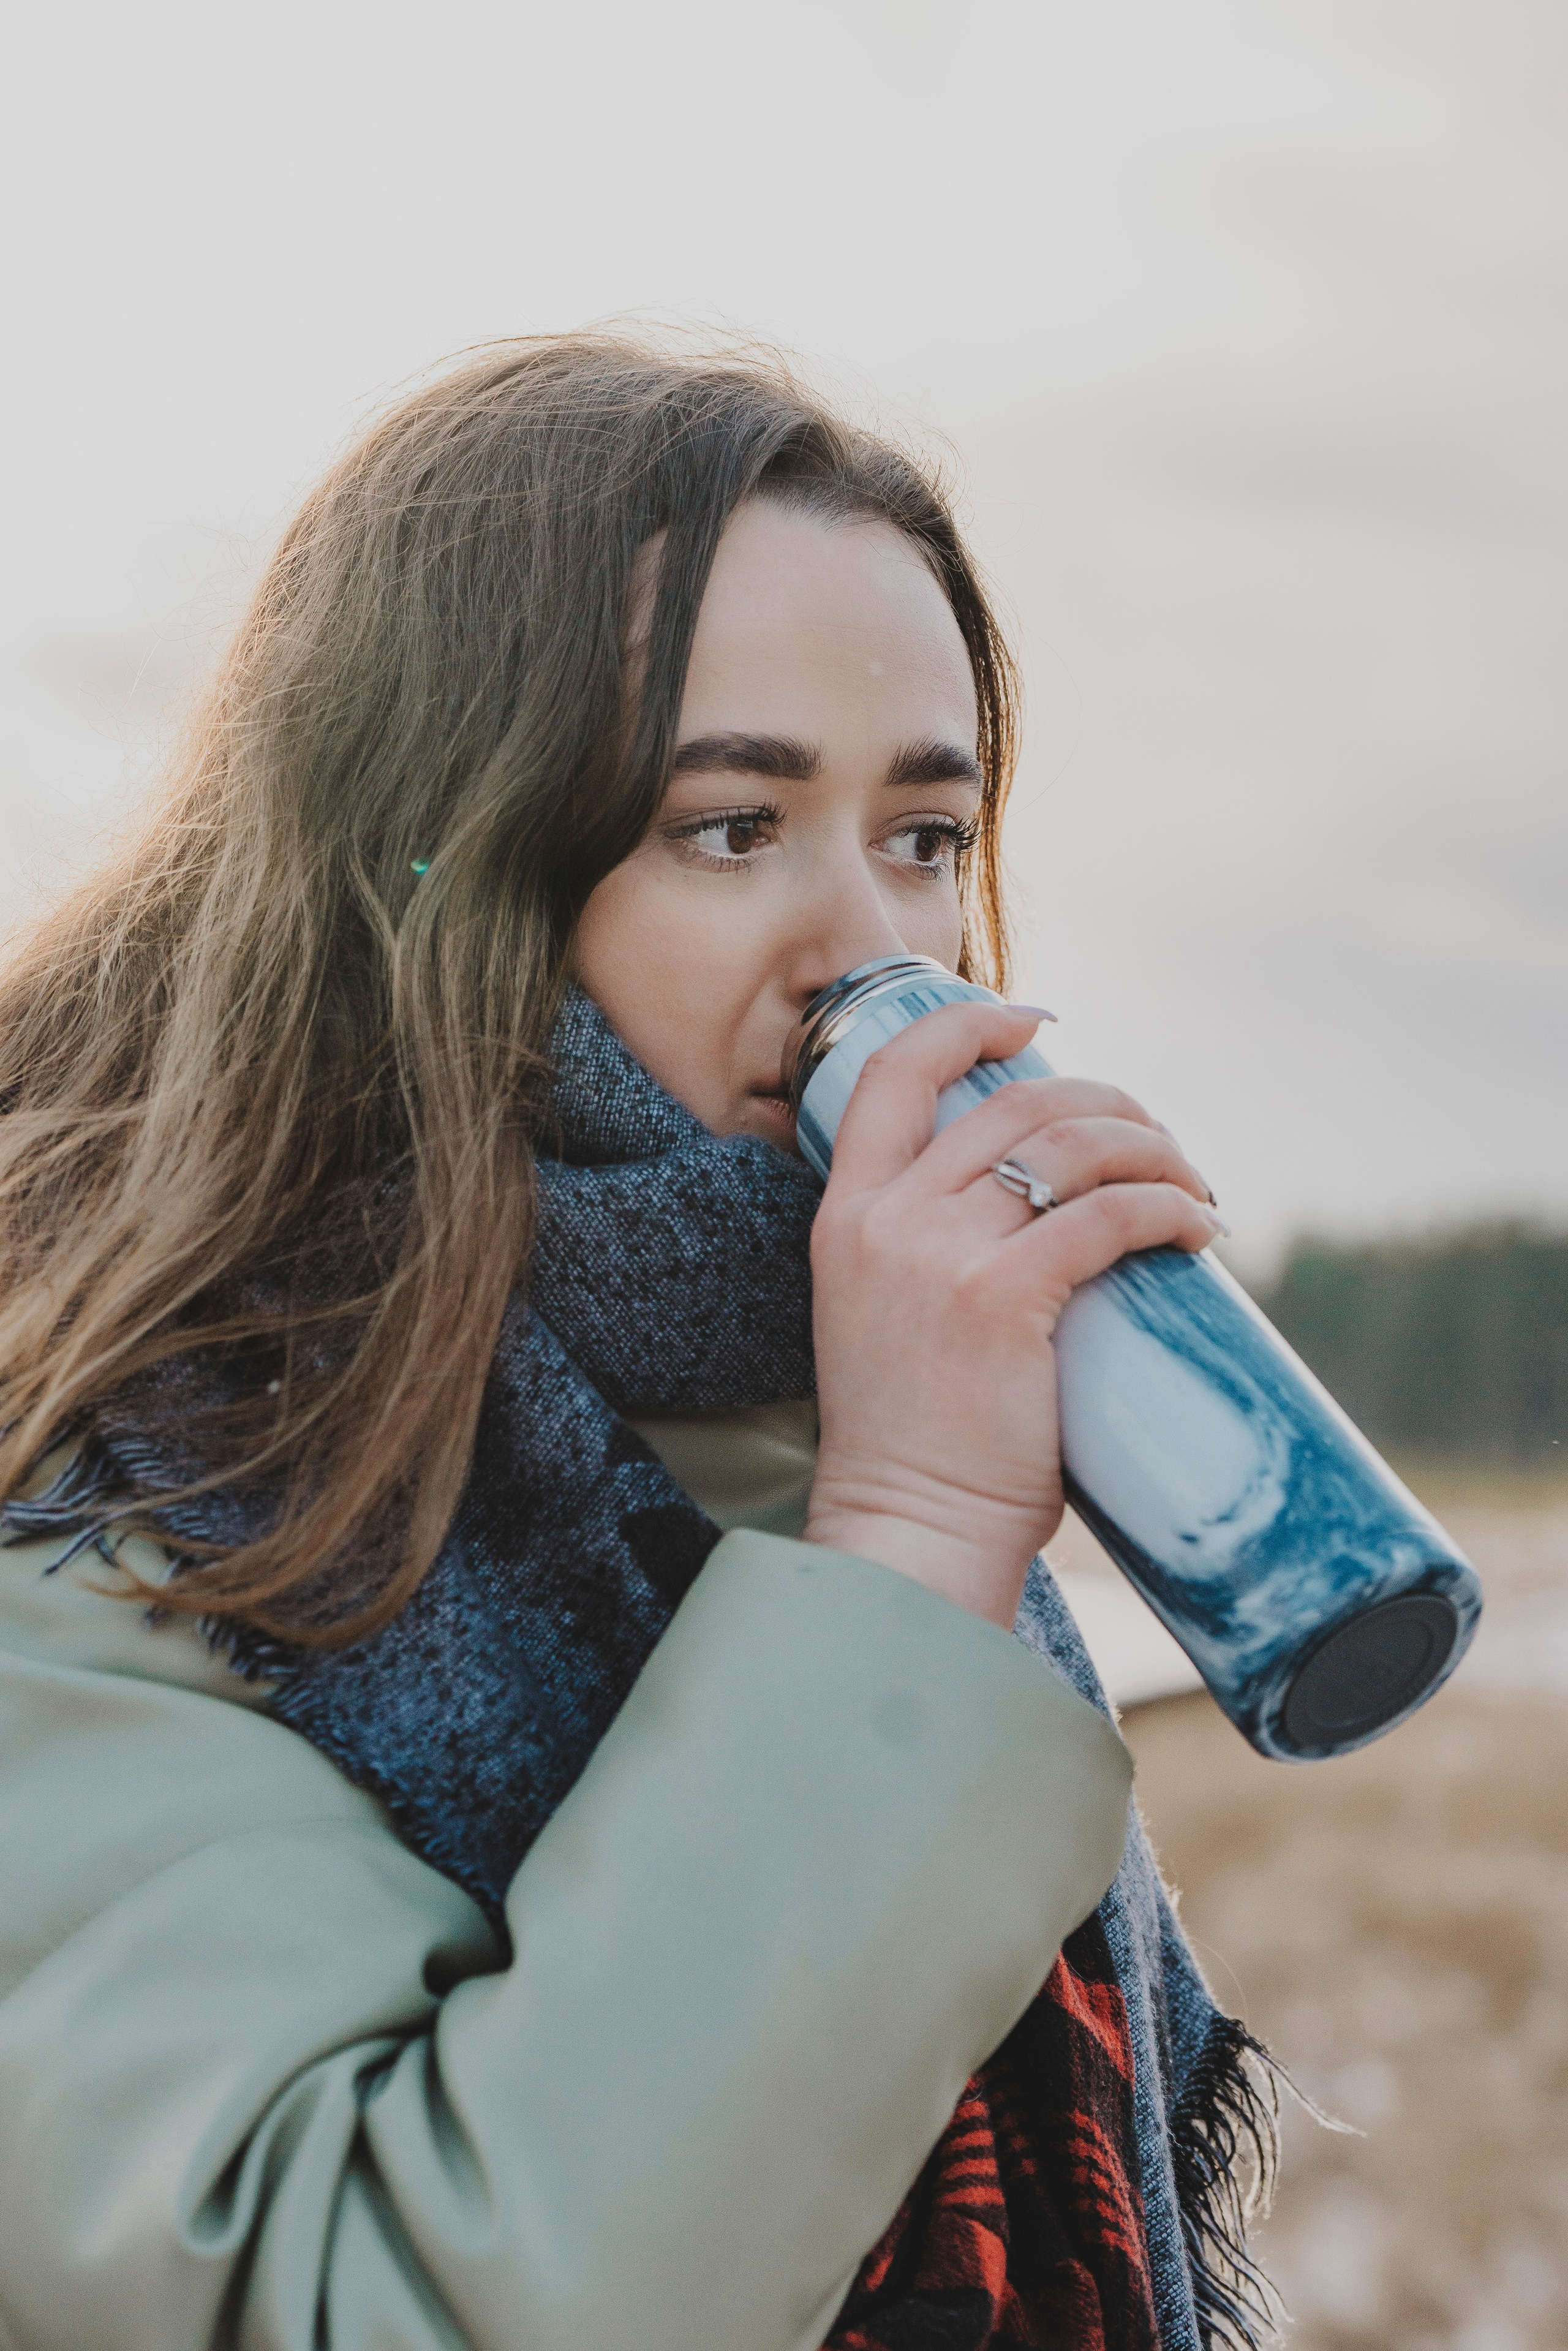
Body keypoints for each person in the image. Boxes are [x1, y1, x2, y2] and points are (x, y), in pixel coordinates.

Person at [0, 334, 1276, 2351]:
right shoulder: (112, 1488)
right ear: (432, 864)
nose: (863, 941)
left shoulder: (776, 1395)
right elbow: (362, 2297)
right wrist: (912, 1527)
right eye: (727, 827)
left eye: (925, 838)